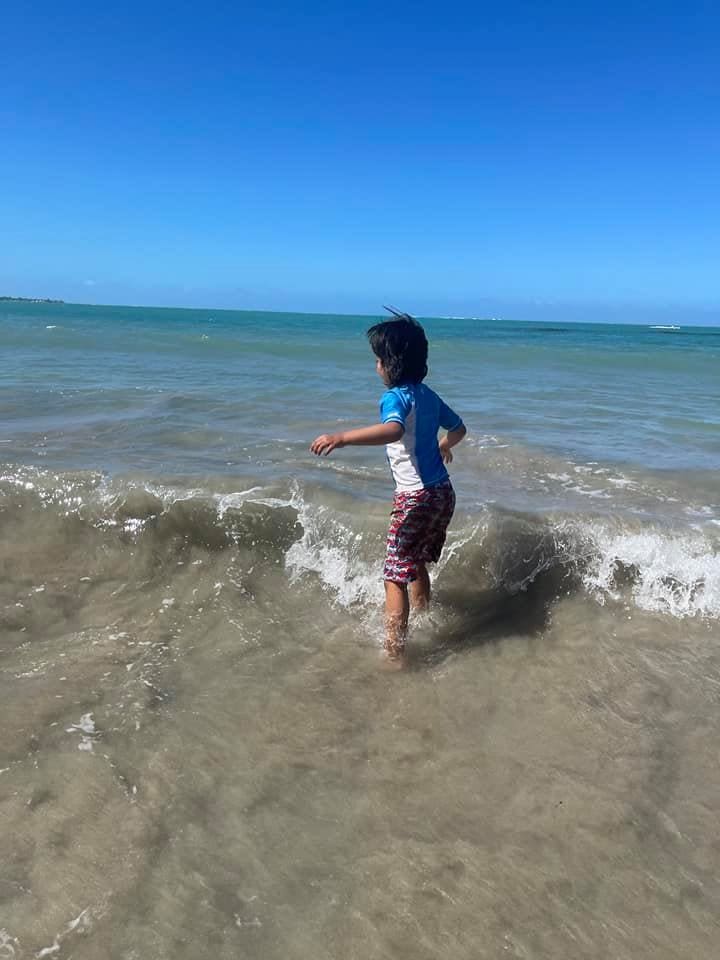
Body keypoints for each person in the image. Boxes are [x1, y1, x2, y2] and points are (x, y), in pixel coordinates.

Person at [310, 311, 466, 667]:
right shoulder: (428, 396)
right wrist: (445, 445)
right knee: (416, 559)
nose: (376, 366)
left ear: (391, 365)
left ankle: (395, 652)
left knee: (393, 575)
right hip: (442, 493)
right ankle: (424, 613)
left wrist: (342, 438)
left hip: (415, 498)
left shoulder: (395, 397)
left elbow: (394, 430)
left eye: (378, 360)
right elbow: (459, 428)